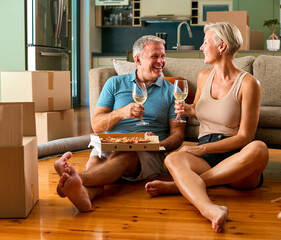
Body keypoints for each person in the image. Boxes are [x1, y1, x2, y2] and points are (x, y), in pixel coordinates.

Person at [145, 22, 269, 233]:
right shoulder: (204, 76)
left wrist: (200, 149)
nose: (201, 47)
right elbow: (198, 109)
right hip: (206, 158)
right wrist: (188, 109)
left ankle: (182, 186)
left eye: (205, 42)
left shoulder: (249, 84)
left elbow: (245, 137)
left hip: (236, 160)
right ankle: (209, 209)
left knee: (259, 149)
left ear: (221, 47)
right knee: (172, 158)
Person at [54, 35, 186, 212]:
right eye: (155, 56)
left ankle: (77, 178)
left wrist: (158, 145)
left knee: (125, 154)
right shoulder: (114, 83)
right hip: (110, 144)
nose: (161, 61)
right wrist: (121, 113)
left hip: (145, 153)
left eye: (163, 56)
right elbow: (97, 125)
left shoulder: (172, 91)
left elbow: (178, 134)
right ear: (137, 59)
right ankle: (84, 197)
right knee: (97, 163)